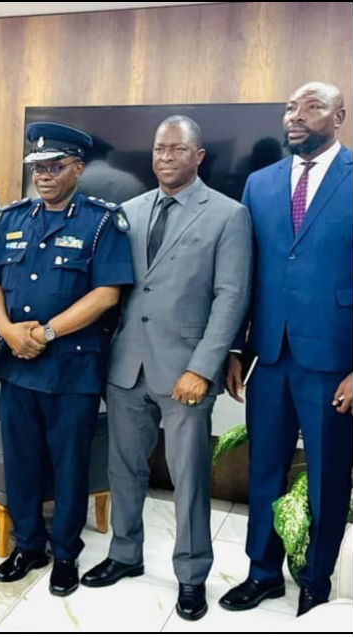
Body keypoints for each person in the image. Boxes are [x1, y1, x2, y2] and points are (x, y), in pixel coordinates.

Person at [82, 116, 253, 622]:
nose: (165, 157)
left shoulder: (228, 214)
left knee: (189, 478)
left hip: (186, 371)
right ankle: (124, 553)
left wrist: (203, 367)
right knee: (124, 469)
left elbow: (231, 298)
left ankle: (192, 575)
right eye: (159, 149)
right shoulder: (129, 212)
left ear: (198, 156)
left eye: (177, 149)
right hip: (126, 366)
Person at [0, 122, 134, 597]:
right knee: (22, 462)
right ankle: (28, 545)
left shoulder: (102, 222)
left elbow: (107, 294)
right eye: (38, 168)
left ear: (78, 169)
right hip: (17, 364)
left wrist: (45, 333)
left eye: (55, 167)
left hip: (71, 367)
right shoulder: (12, 218)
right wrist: (7, 331)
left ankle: (65, 552)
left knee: (69, 466)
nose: (43, 176)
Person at [220, 82, 353, 618]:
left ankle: (316, 582)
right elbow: (243, 272)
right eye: (290, 109)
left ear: (339, 117)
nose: (295, 117)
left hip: (334, 361)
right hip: (269, 355)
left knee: (327, 476)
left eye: (311, 107)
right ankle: (263, 572)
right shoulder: (260, 183)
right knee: (265, 470)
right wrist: (235, 348)